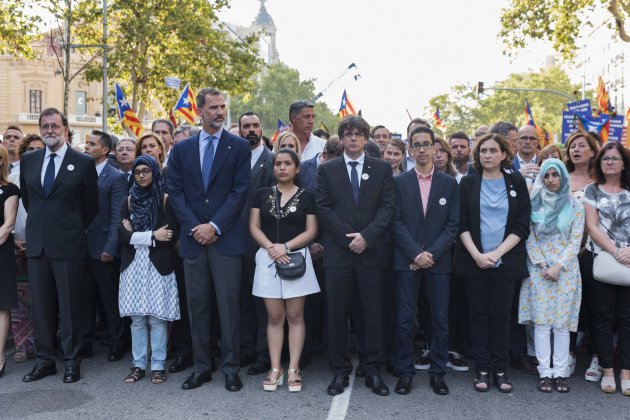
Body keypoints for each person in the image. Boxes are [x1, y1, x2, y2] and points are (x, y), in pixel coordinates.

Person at [168, 87, 251, 392]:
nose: (220, 111)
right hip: (193, 240)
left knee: (229, 307)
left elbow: (240, 191)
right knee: (198, 306)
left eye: (222, 106)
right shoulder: (181, 150)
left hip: (225, 239)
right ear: (199, 111)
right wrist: (196, 227)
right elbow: (175, 193)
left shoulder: (239, 147)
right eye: (213, 107)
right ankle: (202, 367)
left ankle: (231, 367)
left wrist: (214, 226)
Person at [316, 115, 395, 396]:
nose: (352, 138)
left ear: (365, 139)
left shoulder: (382, 169)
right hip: (338, 254)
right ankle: (339, 370)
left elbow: (387, 208)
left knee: (371, 314)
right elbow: (323, 208)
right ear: (341, 138)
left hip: (371, 254)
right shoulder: (328, 170)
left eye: (358, 134)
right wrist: (348, 237)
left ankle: (373, 370)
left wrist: (367, 237)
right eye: (347, 134)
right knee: (337, 314)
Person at [20, 107, 99, 383]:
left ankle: (71, 361)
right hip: (38, 245)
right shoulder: (29, 159)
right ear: (40, 129)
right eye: (45, 126)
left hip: (68, 245)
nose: (50, 131)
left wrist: (71, 228)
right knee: (41, 308)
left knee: (70, 307)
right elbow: (30, 201)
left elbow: (91, 206)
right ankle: (45, 362)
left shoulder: (83, 162)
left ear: (65, 129)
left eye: (55, 126)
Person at [453, 133, 531, 393]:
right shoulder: (468, 183)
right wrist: (477, 255)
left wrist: (497, 254)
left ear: (504, 154)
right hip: (474, 261)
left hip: (505, 262)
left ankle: (501, 369)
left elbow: (522, 224)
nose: (487, 155)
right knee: (478, 316)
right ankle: (482, 370)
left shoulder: (516, 181)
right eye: (483, 150)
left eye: (493, 150)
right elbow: (461, 223)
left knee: (501, 317)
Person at [391, 127, 460, 395]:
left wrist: (430, 254)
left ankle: (438, 372)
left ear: (435, 149)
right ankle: (405, 371)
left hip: (438, 261)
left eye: (426, 144)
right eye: (416, 145)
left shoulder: (448, 183)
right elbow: (395, 222)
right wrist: (415, 254)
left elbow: (453, 225)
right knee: (405, 319)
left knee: (440, 319)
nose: (421, 149)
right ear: (410, 150)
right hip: (407, 261)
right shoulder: (399, 183)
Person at [249, 148, 320, 392]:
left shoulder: (308, 196)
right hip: (268, 259)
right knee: (274, 317)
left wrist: (286, 247)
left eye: (287, 163)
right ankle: (275, 367)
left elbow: (311, 231)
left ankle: (294, 368)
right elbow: (254, 226)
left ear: (297, 168)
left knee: (295, 316)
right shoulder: (261, 194)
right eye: (278, 163)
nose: (281, 167)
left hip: (296, 259)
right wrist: (272, 248)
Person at [519, 159, 584, 393]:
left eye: (555, 175)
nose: (550, 180)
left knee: (562, 325)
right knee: (542, 324)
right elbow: (528, 236)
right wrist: (542, 264)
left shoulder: (575, 206)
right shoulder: (533, 204)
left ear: (563, 177)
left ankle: (561, 372)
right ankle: (545, 373)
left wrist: (557, 266)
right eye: (546, 176)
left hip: (565, 271)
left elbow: (576, 240)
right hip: (538, 270)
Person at [118, 155, 180, 385]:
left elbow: (169, 236)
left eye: (146, 171)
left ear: (155, 172)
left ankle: (158, 366)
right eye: (137, 172)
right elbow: (122, 236)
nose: (142, 175)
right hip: (133, 266)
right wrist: (153, 234)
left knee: (157, 319)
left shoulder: (165, 200)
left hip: (158, 265)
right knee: (136, 319)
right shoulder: (128, 201)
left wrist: (136, 235)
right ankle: (138, 365)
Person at [582, 141, 630, 395]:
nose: (610, 162)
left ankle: (626, 372)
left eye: (615, 158)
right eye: (605, 159)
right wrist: (615, 252)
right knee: (602, 319)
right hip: (602, 258)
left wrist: (628, 252)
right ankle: (608, 370)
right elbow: (592, 226)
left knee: (627, 319)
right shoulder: (592, 190)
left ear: (624, 163)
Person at [82, 130, 129, 361]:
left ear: (105, 150)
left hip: (104, 248)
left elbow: (116, 217)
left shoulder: (116, 177)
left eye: (92, 144)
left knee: (110, 300)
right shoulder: (81, 171)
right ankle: (87, 344)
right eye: (87, 143)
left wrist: (110, 247)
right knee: (85, 299)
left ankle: (118, 342)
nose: (87, 147)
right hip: (81, 247)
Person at [239, 112, 275, 376]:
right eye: (245, 126)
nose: (251, 130)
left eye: (255, 125)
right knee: (239, 301)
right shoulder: (233, 158)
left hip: (262, 242)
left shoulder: (273, 161)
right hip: (232, 242)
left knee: (263, 303)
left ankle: (264, 355)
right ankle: (245, 350)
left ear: (262, 129)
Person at [565, 132, 600, 381]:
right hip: (565, 254)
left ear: (592, 152)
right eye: (572, 146)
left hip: (594, 253)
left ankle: (598, 356)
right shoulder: (560, 178)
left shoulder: (600, 181)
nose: (576, 150)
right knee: (569, 308)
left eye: (582, 146)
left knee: (595, 306)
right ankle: (568, 354)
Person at [9, 134, 44, 364]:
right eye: (28, 149)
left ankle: (44, 342)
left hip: (42, 245)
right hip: (14, 245)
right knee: (19, 300)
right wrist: (12, 239)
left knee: (42, 298)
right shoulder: (11, 178)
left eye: (37, 149)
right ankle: (22, 344)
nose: (32, 152)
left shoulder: (48, 177)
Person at [0, 144, 19, 378]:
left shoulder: (10, 189)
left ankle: (0, 356)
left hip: (1, 252)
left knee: (0, 306)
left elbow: (8, 225)